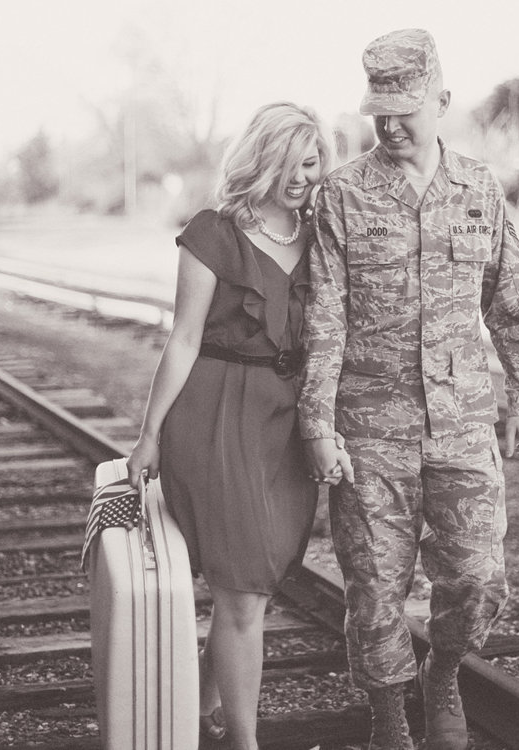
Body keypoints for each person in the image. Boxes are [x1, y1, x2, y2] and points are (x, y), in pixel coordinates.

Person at [298, 29, 519, 750]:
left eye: (405, 107)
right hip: (370, 430)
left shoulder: (480, 188)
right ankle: (388, 715)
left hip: (463, 423)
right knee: (374, 587)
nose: (390, 122)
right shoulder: (342, 195)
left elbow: (511, 300)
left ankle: (442, 675)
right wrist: (318, 424)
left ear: (441, 101)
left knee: (476, 574)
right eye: (379, 107)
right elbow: (324, 318)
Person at [126, 102, 344, 750]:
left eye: (316, 162)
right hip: (217, 412)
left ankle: (195, 707)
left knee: (256, 581)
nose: (308, 176)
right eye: (296, 163)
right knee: (245, 592)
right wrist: (148, 434)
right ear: (266, 158)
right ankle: (242, 741)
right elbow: (184, 339)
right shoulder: (213, 233)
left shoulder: (323, 234)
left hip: (285, 421)